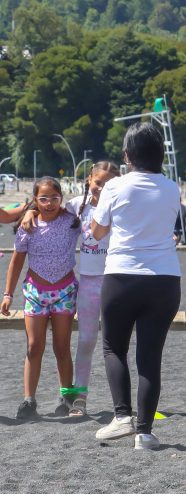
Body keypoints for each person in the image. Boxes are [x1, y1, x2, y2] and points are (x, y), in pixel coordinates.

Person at [89, 122, 182, 451]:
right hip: (165, 279)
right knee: (150, 356)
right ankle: (144, 433)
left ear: (127, 155)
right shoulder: (172, 188)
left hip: (122, 276)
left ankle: (121, 416)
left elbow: (97, 233)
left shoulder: (115, 187)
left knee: (114, 348)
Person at [17, 162, 121, 416]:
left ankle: (125, 404)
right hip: (87, 282)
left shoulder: (123, 206)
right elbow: (48, 206)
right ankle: (78, 398)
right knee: (85, 341)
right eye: (98, 182)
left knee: (118, 343)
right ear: (89, 181)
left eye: (109, 183)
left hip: (117, 280)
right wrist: (30, 212)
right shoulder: (77, 207)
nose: (102, 188)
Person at [1, 178, 80, 419]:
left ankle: (66, 396)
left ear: (61, 198)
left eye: (54, 198)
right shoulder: (28, 226)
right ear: (35, 199)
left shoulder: (71, 222)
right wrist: (7, 294)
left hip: (64, 291)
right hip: (36, 292)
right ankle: (29, 399)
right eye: (43, 199)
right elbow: (16, 262)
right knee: (34, 346)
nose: (49, 203)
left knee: (62, 347)